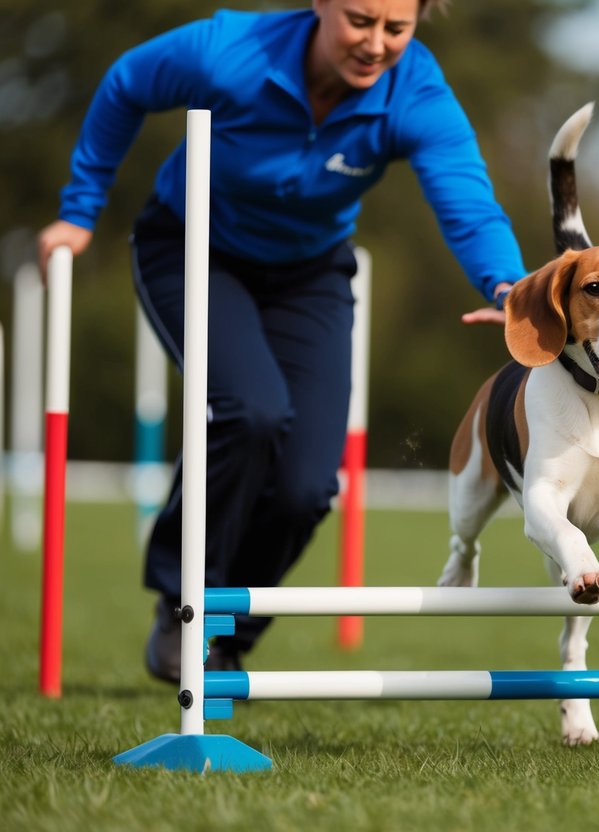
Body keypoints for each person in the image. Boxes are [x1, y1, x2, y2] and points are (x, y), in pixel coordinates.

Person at [37, 0, 525, 682]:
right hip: (192, 249)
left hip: (310, 274)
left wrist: (509, 290)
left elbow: (467, 201)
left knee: (306, 485)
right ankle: (181, 602)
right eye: (360, 20)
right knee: (250, 409)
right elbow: (125, 82)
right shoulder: (229, 51)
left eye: (396, 28)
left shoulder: (416, 94)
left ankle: (230, 636)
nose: (376, 44)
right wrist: (78, 212)